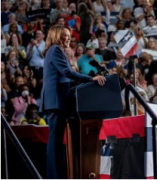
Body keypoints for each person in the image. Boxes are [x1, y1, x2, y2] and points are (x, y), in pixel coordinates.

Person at [39, 25, 105, 180]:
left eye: (70, 35)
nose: (69, 38)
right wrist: (91, 79)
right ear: (57, 36)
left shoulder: (56, 51)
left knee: (56, 142)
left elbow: (66, 79)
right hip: (56, 102)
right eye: (66, 35)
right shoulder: (55, 50)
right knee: (54, 143)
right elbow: (67, 73)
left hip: (59, 101)